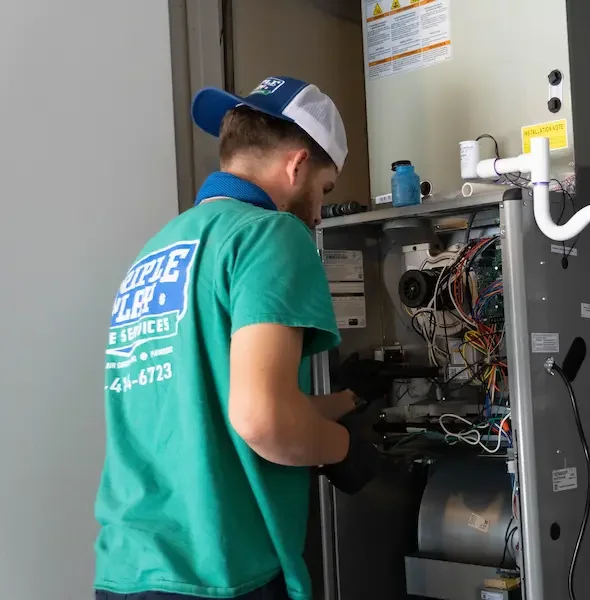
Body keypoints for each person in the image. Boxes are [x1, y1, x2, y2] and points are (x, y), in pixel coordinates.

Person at [94, 76, 385, 600]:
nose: (319, 214)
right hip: (222, 571)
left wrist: (345, 400)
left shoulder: (159, 251)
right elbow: (262, 420)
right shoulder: (271, 234)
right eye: (323, 190)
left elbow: (217, 408)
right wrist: (344, 451)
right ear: (297, 165)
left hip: (129, 571)